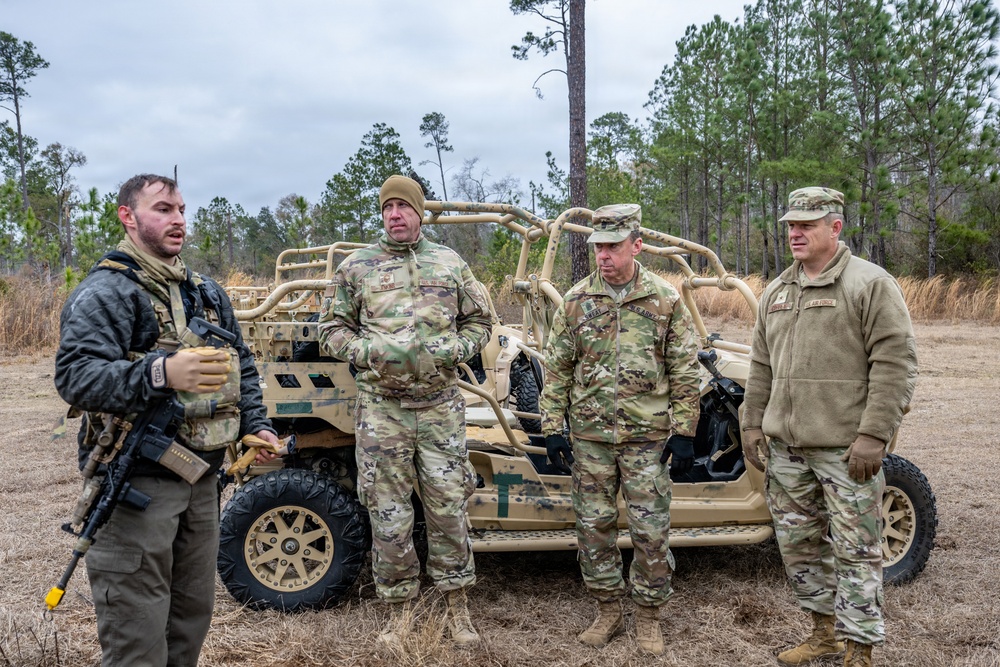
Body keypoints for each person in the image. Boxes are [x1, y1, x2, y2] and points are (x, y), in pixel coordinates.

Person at [54, 173, 279, 666]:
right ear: (128, 217)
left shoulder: (206, 293)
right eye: (162, 209)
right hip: (138, 486)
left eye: (180, 209)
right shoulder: (109, 291)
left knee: (189, 623)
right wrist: (160, 372)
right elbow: (75, 376)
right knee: (137, 637)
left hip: (202, 485)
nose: (177, 219)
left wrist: (255, 426)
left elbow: (239, 363)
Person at [741, 187, 918, 667]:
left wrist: (874, 435)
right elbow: (761, 365)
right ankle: (824, 635)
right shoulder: (777, 291)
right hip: (787, 450)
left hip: (845, 450)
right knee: (799, 548)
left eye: (807, 225)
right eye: (791, 227)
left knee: (857, 550)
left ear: (835, 228)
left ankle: (859, 650)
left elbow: (895, 364)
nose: (795, 234)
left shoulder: (869, 284)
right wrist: (752, 425)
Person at [318, 174, 492, 645]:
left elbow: (482, 322)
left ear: (419, 212)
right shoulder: (358, 267)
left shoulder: (450, 263)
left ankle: (457, 608)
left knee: (448, 507)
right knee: (388, 514)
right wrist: (368, 350)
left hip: (440, 409)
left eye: (403, 206)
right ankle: (398, 612)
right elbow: (330, 329)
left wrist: (455, 347)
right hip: (383, 411)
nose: (395, 214)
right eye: (387, 207)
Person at [538, 204, 703, 656]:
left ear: (637, 246)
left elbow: (685, 369)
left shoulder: (664, 298)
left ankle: (649, 614)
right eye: (598, 247)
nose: (603, 256)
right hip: (590, 441)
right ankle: (607, 609)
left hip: (646, 439)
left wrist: (685, 431)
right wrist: (554, 427)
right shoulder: (576, 302)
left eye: (612, 246)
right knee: (595, 528)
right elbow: (557, 372)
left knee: (651, 532)